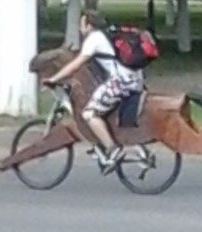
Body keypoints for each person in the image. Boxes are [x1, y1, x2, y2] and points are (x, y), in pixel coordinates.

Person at [42, 10, 144, 166]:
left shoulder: (94, 38)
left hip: (122, 82)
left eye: (82, 24)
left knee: (89, 113)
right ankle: (101, 140)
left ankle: (113, 149)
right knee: (95, 99)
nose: (80, 29)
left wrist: (54, 78)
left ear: (88, 25)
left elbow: (77, 63)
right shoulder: (106, 35)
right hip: (133, 78)